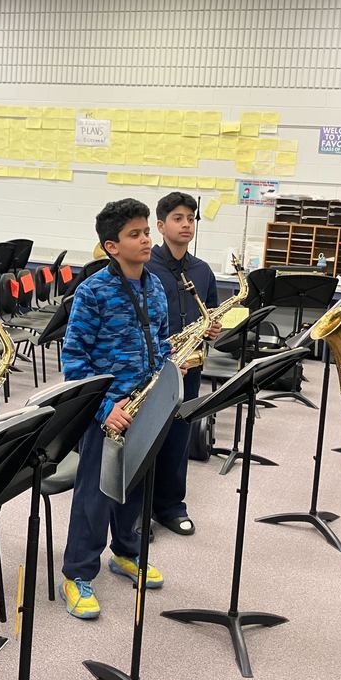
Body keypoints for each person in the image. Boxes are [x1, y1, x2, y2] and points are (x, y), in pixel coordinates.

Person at [59, 198, 173, 619]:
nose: (146, 240)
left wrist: (166, 377)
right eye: (135, 234)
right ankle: (76, 573)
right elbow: (74, 360)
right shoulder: (92, 292)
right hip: (107, 412)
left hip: (146, 405)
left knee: (137, 488)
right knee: (95, 495)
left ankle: (126, 552)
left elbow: (161, 342)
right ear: (112, 246)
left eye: (146, 232)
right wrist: (105, 406)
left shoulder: (155, 286)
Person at [147, 191, 220, 535]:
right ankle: (137, 510)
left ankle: (171, 507)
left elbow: (211, 313)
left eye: (191, 218)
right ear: (161, 226)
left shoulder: (202, 271)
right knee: (147, 439)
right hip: (152, 370)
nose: (186, 224)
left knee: (178, 439)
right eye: (178, 218)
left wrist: (212, 328)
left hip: (190, 367)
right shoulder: (145, 267)